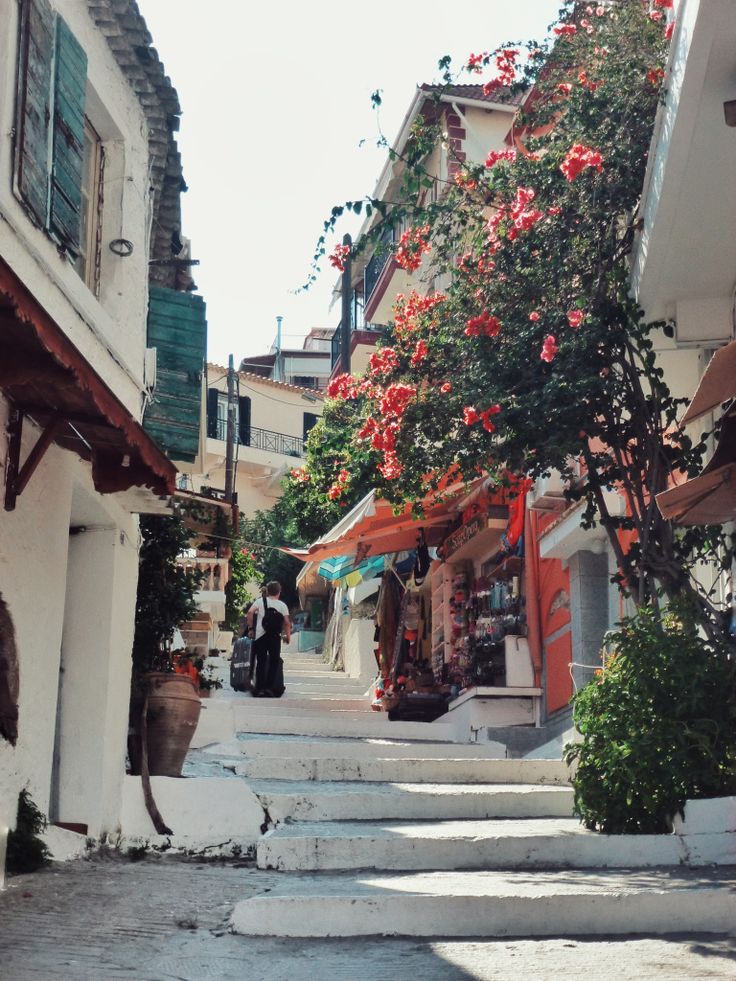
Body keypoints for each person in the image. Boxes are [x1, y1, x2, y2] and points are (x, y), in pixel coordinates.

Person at [246, 581, 290, 697]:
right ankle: (270, 688)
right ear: (279, 592)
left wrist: (251, 629)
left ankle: (260, 688)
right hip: (275, 636)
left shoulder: (260, 601)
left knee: (261, 662)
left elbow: (250, 612)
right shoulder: (282, 605)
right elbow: (286, 623)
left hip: (260, 636)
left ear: (268, 591)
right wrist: (288, 636)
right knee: (274, 662)